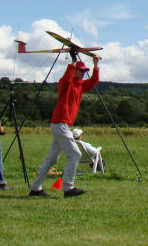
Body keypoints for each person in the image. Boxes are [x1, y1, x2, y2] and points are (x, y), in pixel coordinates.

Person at [29, 52, 99, 198]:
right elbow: (67, 79)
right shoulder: (65, 83)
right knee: (75, 154)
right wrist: (72, 62)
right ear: (74, 70)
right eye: (81, 70)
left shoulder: (79, 86)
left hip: (62, 126)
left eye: (84, 71)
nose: (83, 73)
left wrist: (95, 65)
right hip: (60, 124)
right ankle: (68, 188)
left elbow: (93, 82)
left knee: (51, 159)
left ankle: (35, 188)